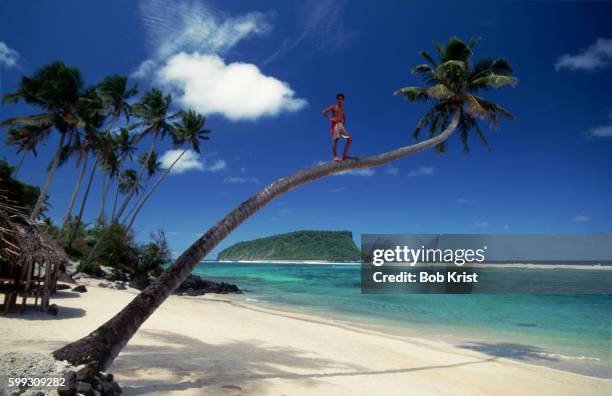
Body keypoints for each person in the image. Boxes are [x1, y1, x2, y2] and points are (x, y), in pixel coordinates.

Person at [322, 93, 352, 161]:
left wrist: (343, 123)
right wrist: (329, 119)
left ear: (343, 100)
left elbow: (344, 118)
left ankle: (344, 155)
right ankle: (335, 156)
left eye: (342, 99)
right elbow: (324, 111)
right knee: (336, 140)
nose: (340, 100)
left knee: (349, 140)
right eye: (339, 99)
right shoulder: (334, 106)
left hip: (340, 125)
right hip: (335, 124)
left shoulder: (343, 109)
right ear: (337, 99)